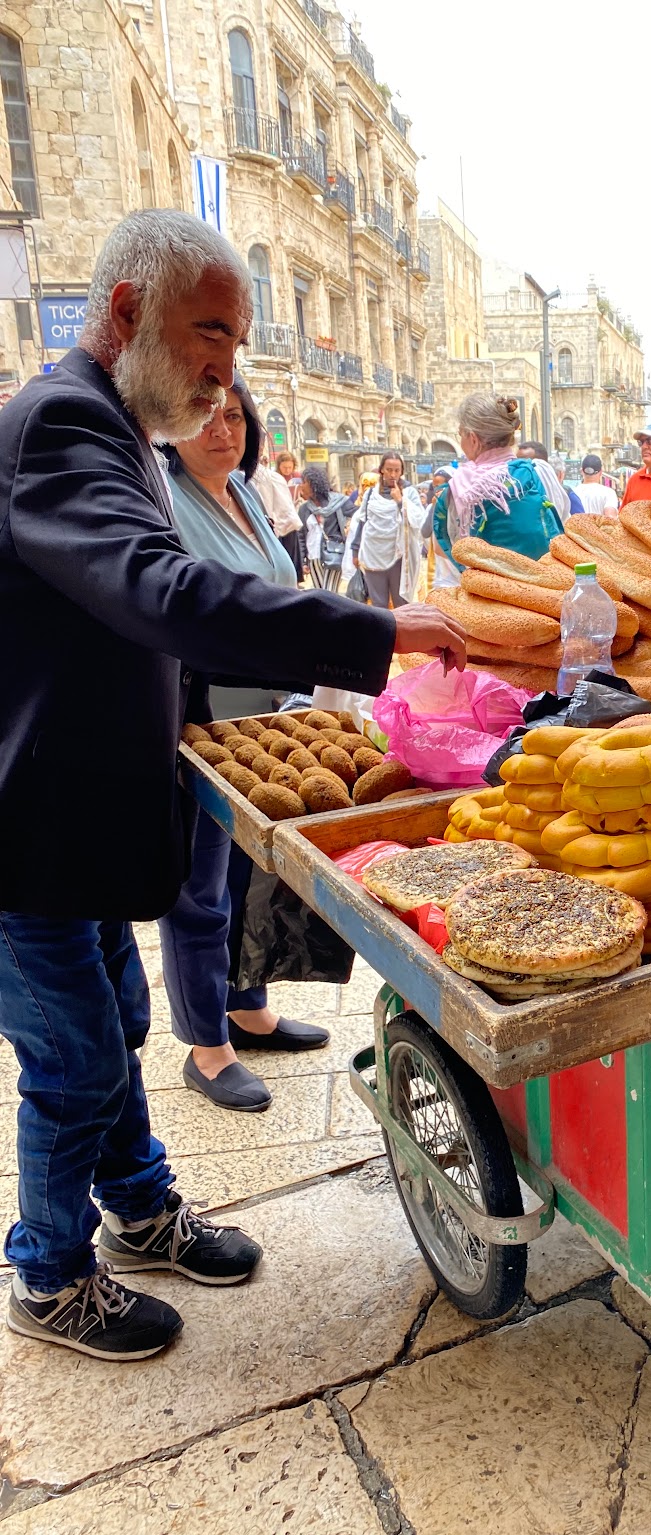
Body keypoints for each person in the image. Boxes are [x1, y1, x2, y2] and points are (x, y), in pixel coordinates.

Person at [0, 208, 467, 1361]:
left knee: (117, 1020)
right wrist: (373, 630)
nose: (227, 369)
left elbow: (142, 628)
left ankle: (142, 1210)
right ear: (126, 313)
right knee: (74, 1058)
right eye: (212, 332)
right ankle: (51, 1275)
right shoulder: (62, 423)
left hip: (83, 822)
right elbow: (160, 594)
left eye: (236, 341)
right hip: (30, 829)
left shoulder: (120, 433)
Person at [159, 376, 326, 1115]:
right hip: (198, 719)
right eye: (204, 416)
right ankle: (207, 1045)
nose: (221, 430)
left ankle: (246, 1007)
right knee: (198, 886)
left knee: (246, 873)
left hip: (259, 718)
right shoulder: (164, 497)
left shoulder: (246, 491)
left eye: (234, 416)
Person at [431, 395, 569, 562]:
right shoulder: (539, 471)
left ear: (473, 439)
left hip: (490, 586)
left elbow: (443, 549)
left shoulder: (461, 487)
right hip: (546, 579)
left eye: (461, 435)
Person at [345, 450, 420, 609]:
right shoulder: (371, 493)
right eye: (389, 470)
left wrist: (400, 501)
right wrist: (355, 550)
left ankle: (402, 634)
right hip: (373, 553)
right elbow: (363, 522)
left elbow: (418, 520)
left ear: (401, 471)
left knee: (402, 604)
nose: (393, 474)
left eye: (397, 470)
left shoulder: (409, 492)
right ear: (381, 470)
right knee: (378, 604)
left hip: (399, 555)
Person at [297, 464, 351, 592]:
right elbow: (301, 537)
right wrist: (303, 562)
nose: (301, 486)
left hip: (334, 554)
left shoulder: (337, 502)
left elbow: (359, 515)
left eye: (304, 482)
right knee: (320, 594)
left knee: (329, 593)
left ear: (312, 484)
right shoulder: (304, 509)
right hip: (313, 558)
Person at [254, 447, 304, 581]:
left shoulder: (297, 478)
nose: (287, 470)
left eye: (290, 467)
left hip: (288, 524)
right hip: (277, 524)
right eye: (285, 467)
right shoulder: (272, 477)